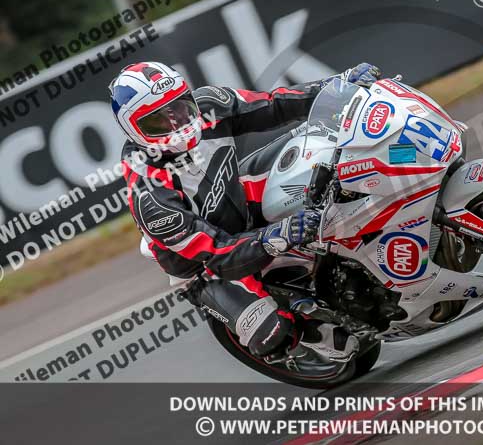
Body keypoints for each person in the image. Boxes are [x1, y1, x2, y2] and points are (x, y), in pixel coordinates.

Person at [109, 60, 381, 362]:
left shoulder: (210, 106)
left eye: (181, 109)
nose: (176, 127)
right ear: (132, 131)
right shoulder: (150, 197)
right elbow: (216, 251)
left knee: (322, 151)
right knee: (270, 332)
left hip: (240, 195)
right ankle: (308, 329)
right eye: (157, 123)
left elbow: (274, 105)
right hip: (207, 266)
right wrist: (274, 237)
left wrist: (338, 86)